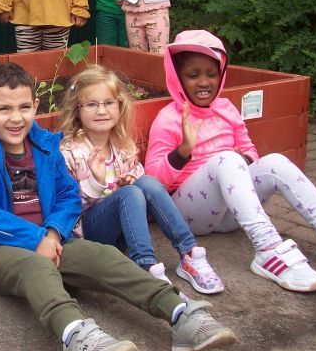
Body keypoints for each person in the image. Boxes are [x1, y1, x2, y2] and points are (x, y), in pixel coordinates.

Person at [0, 62, 237, 351]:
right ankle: (78, 336)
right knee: (37, 268)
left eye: (24, 107)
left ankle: (180, 314)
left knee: (104, 256)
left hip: (51, 240)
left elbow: (68, 197)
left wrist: (51, 234)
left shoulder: (46, 145)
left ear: (35, 106)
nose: (16, 118)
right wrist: (38, 239)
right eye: (4, 109)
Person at [145, 29, 316, 292]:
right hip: (189, 215)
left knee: (275, 161)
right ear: (177, 78)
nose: (204, 82)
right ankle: (268, 248)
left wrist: (239, 163)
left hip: (231, 213)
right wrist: (184, 150)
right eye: (193, 75)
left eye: (211, 74)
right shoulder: (169, 118)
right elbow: (153, 181)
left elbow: (249, 150)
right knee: (227, 160)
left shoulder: (227, 109)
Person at [56, 65, 224, 295]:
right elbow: (68, 206)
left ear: (120, 106)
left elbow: (140, 181)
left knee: (146, 183)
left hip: (121, 233)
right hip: (87, 236)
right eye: (92, 104)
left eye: (108, 103)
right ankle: (146, 267)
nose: (101, 111)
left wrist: (128, 181)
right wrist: (98, 182)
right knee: (131, 192)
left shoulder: (122, 147)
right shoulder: (70, 151)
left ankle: (189, 253)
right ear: (78, 109)